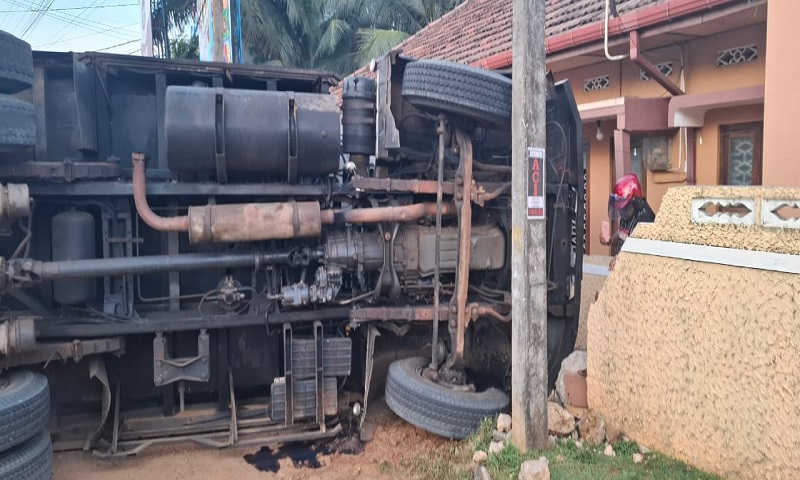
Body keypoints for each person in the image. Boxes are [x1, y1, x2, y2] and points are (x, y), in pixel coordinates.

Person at [599, 173, 655, 264]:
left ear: (635, 202)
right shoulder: (628, 214)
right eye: (618, 207)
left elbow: (639, 254)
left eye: (624, 207)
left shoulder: (645, 221)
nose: (621, 211)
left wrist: (620, 260)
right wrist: (610, 240)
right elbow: (622, 234)